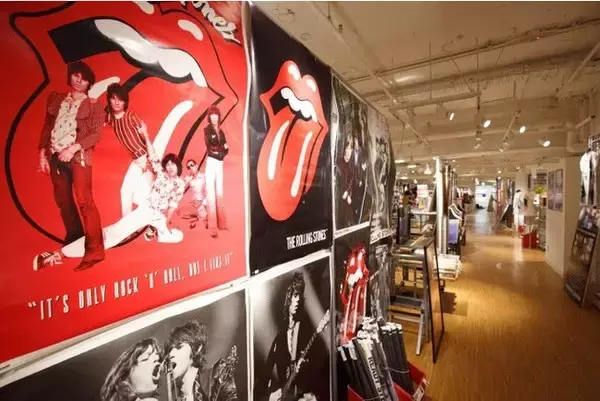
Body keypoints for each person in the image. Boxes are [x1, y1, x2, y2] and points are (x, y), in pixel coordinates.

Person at [33, 122, 186, 271]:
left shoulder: (179, 183)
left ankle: (155, 230)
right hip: (147, 210)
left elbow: (174, 203)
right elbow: (153, 155)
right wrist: (145, 134)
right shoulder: (161, 174)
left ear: (178, 167)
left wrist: (165, 222)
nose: (170, 167)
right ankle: (59, 255)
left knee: (176, 236)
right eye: (168, 164)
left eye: (173, 164)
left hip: (157, 216)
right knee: (109, 236)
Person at [36, 61, 105, 271]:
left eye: (83, 79)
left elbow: (96, 134)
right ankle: (75, 240)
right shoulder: (56, 99)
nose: (78, 81)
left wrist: (72, 148)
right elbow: (47, 126)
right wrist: (42, 153)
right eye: (76, 75)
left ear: (89, 83)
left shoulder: (93, 105)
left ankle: (95, 251)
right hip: (56, 156)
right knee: (63, 201)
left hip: (78, 158)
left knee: (84, 201)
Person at [258, 273, 327, 401]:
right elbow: (264, 378)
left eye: (300, 295)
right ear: (287, 297)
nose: (298, 300)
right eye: (295, 295)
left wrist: (314, 396)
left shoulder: (306, 331)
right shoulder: (279, 338)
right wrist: (268, 397)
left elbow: (323, 370)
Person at [105, 83, 154, 216]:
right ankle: (126, 223)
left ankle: (151, 222)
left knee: (146, 196)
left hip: (145, 157)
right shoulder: (110, 118)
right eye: (113, 98)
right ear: (109, 100)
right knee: (126, 191)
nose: (117, 102)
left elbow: (146, 137)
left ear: (125, 102)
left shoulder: (131, 116)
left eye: (120, 99)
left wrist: (150, 161)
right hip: (135, 160)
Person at [164, 321, 238, 401]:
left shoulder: (216, 379)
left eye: (179, 347)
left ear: (197, 349)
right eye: (169, 350)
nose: (170, 354)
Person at [204, 106, 229, 238]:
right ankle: (212, 226)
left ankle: (222, 224)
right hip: (211, 161)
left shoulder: (221, 132)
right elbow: (210, 147)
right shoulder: (207, 130)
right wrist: (221, 150)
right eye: (212, 115)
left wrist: (221, 151)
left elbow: (227, 149)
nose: (214, 117)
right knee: (211, 193)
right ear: (209, 117)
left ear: (219, 117)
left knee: (219, 192)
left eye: (216, 115)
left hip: (220, 163)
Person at [180, 159, 208, 230]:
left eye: (192, 165)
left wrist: (203, 204)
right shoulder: (189, 179)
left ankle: (199, 219)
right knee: (180, 212)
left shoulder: (204, 176)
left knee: (204, 217)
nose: (190, 168)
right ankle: (197, 218)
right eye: (188, 167)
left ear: (197, 166)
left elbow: (209, 191)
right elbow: (179, 190)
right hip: (194, 205)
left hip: (203, 204)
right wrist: (186, 181)